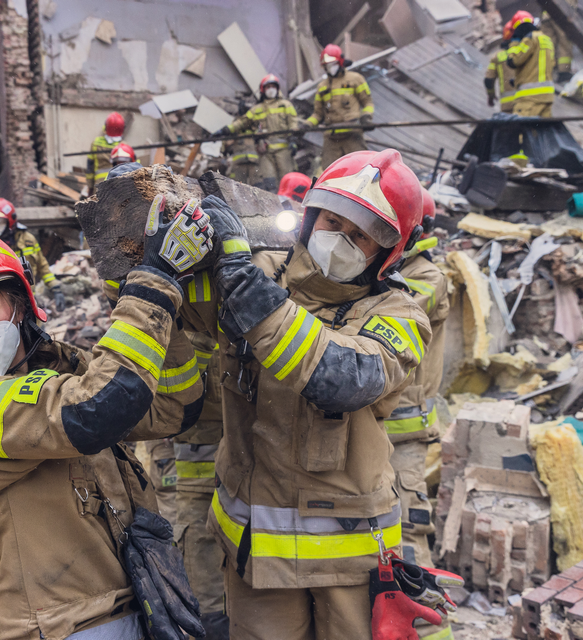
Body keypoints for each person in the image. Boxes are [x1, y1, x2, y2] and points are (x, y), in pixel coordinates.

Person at [177, 149, 459, 639]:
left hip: (349, 561)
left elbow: (342, 377)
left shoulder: (399, 313)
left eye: (361, 234)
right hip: (255, 556)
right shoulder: (260, 270)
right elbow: (178, 302)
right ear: (311, 214)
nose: (341, 239)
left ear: (389, 250)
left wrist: (247, 288)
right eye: (334, 220)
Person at [0, 211, 211, 639]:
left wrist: (158, 304)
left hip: (120, 605)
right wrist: (154, 284)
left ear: (19, 306)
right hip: (54, 626)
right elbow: (97, 410)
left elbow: (173, 409)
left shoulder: (48, 370)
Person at [384, 187, 453, 640]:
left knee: (408, 546)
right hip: (372, 436)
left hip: (403, 441)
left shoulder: (425, 278)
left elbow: (388, 311)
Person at [172, 331, 229, 640]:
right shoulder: (182, 323)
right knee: (208, 610)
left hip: (263, 485)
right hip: (199, 489)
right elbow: (171, 402)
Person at [0, 198, 66, 312]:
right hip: (5, 306)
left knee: (38, 329)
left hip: (31, 302)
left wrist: (55, 288)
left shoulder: (28, 240)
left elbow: (43, 267)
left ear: (10, 221)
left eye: (0, 223)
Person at [222, 74, 298, 192]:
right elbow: (242, 122)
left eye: (273, 86)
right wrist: (226, 130)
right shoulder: (257, 109)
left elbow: (293, 124)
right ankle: (274, 209)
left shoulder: (285, 105)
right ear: (263, 90)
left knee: (287, 181)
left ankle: (291, 207)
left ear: (277, 88)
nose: (271, 89)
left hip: (284, 151)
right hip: (265, 153)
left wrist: (293, 141)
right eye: (268, 87)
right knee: (269, 183)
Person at [304, 44, 374, 169]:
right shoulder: (322, 87)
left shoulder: (355, 79)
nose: (330, 68)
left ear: (340, 61)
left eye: (333, 64)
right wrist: (306, 124)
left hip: (352, 135)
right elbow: (318, 114)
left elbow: (367, 103)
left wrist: (366, 117)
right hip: (332, 139)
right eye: (327, 65)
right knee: (330, 174)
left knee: (359, 170)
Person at [506, 11, 557, 117]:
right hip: (547, 97)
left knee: (522, 132)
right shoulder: (546, 39)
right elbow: (540, 65)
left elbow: (513, 61)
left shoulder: (530, 38)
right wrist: (519, 80)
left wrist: (514, 43)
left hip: (529, 98)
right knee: (542, 132)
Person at [539, 0, 578, 83]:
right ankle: (564, 72)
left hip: (546, 15)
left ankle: (546, 70)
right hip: (561, 14)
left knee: (547, 45)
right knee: (564, 43)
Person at [87, 112, 125, 194]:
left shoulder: (96, 143)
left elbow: (90, 167)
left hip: (99, 185)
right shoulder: (124, 146)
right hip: (118, 186)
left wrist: (90, 187)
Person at [486, 20, 518, 112]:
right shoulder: (527, 52)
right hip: (528, 105)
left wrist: (491, 95)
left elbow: (488, 79)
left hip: (507, 106)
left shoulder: (498, 56)